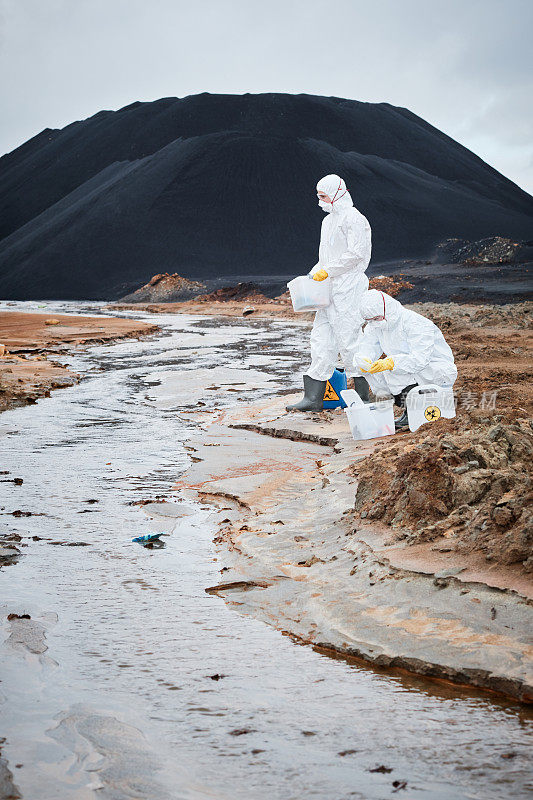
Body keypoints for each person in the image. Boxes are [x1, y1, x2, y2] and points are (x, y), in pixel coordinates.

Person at [287, 174, 372, 412]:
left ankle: (363, 398)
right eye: (318, 196)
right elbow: (325, 258)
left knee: (349, 340)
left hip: (348, 287)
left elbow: (357, 254)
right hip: (328, 289)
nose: (320, 201)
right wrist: (312, 275)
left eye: (323, 196)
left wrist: (328, 271)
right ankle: (313, 398)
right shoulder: (328, 221)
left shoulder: (354, 219)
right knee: (321, 339)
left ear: (336, 193)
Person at [353, 289, 457, 428]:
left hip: (434, 370)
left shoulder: (414, 323)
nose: (374, 323)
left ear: (386, 309)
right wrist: (364, 359)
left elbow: (420, 360)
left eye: (377, 318)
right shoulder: (376, 325)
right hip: (410, 368)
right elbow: (368, 346)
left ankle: (417, 411)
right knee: (375, 372)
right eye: (369, 320)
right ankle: (408, 411)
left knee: (395, 372)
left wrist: (392, 362)